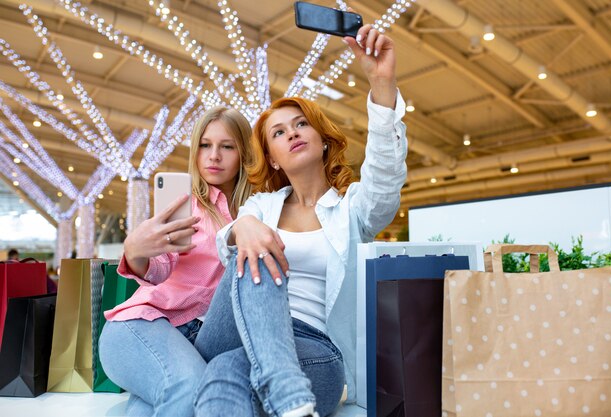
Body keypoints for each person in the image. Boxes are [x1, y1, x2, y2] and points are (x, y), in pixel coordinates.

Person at [193, 25, 407, 417]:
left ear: (322, 138)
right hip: (238, 333)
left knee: (224, 374)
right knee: (254, 249)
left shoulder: (352, 210)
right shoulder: (259, 207)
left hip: (315, 351)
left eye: (301, 124)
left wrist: (382, 84)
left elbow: (385, 176)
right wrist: (244, 227)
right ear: (273, 157)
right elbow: (229, 247)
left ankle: (286, 387)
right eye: (278, 132)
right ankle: (288, 392)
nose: (292, 133)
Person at [98, 106, 253, 417]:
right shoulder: (185, 205)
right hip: (141, 325)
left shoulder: (257, 211)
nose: (214, 156)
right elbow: (159, 268)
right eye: (205, 146)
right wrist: (137, 252)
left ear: (244, 153)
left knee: (159, 402)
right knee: (190, 387)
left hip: (197, 342)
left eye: (227, 146)